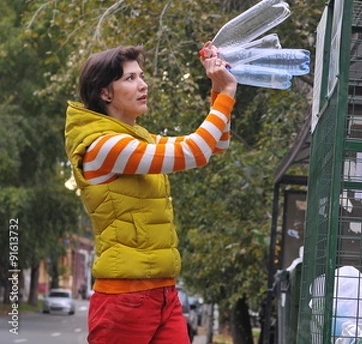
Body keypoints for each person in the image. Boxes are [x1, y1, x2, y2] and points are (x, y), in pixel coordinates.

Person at [64, 43, 237, 343]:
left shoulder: (139, 140)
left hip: (164, 294)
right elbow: (195, 151)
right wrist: (228, 94)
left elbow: (214, 146)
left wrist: (219, 90)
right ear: (105, 93)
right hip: (123, 300)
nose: (143, 85)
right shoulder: (104, 147)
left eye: (141, 76)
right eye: (130, 78)